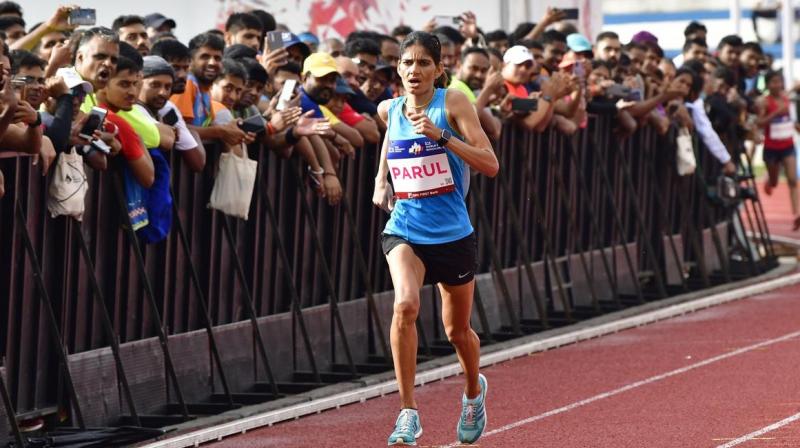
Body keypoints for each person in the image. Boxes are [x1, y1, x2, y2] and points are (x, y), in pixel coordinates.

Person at [372, 31, 498, 446]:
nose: (414, 70)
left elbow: (490, 164)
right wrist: (380, 179)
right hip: (405, 227)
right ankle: (407, 412)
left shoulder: (453, 103)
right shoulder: (388, 109)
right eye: (407, 63)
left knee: (457, 331)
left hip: (452, 233)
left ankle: (472, 392)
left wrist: (442, 137)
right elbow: (393, 136)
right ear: (399, 69)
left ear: (439, 69)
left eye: (424, 63)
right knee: (405, 304)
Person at [756, 70, 800, 230]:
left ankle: (796, 214)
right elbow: (759, 123)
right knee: (775, 182)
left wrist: (795, 126)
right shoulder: (764, 102)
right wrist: (775, 113)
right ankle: (770, 179)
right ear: (767, 85)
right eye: (773, 82)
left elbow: (790, 119)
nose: (777, 85)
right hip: (771, 149)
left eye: (779, 82)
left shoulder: (787, 99)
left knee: (793, 181)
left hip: (788, 145)